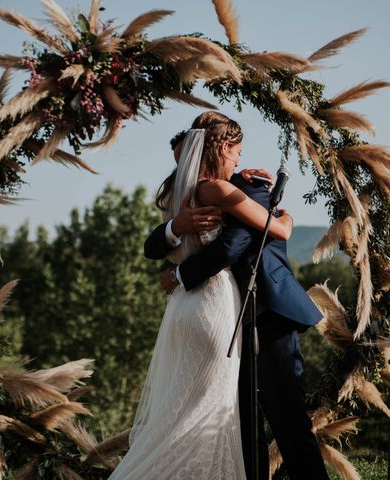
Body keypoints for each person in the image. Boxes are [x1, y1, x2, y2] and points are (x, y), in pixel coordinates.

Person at [109, 111, 293, 480]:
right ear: (223, 147)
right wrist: (285, 216)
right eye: (237, 151)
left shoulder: (174, 191)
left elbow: (159, 241)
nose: (240, 159)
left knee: (182, 408)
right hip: (214, 305)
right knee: (209, 410)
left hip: (182, 306)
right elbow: (276, 231)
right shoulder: (219, 190)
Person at [144, 129, 329, 480]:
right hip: (225, 315)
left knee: (286, 416)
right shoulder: (188, 195)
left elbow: (234, 244)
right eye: (236, 152)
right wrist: (176, 227)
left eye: (240, 151)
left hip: (268, 311)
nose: (240, 159)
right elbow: (154, 243)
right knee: (241, 422)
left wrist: (181, 273)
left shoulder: (250, 188)